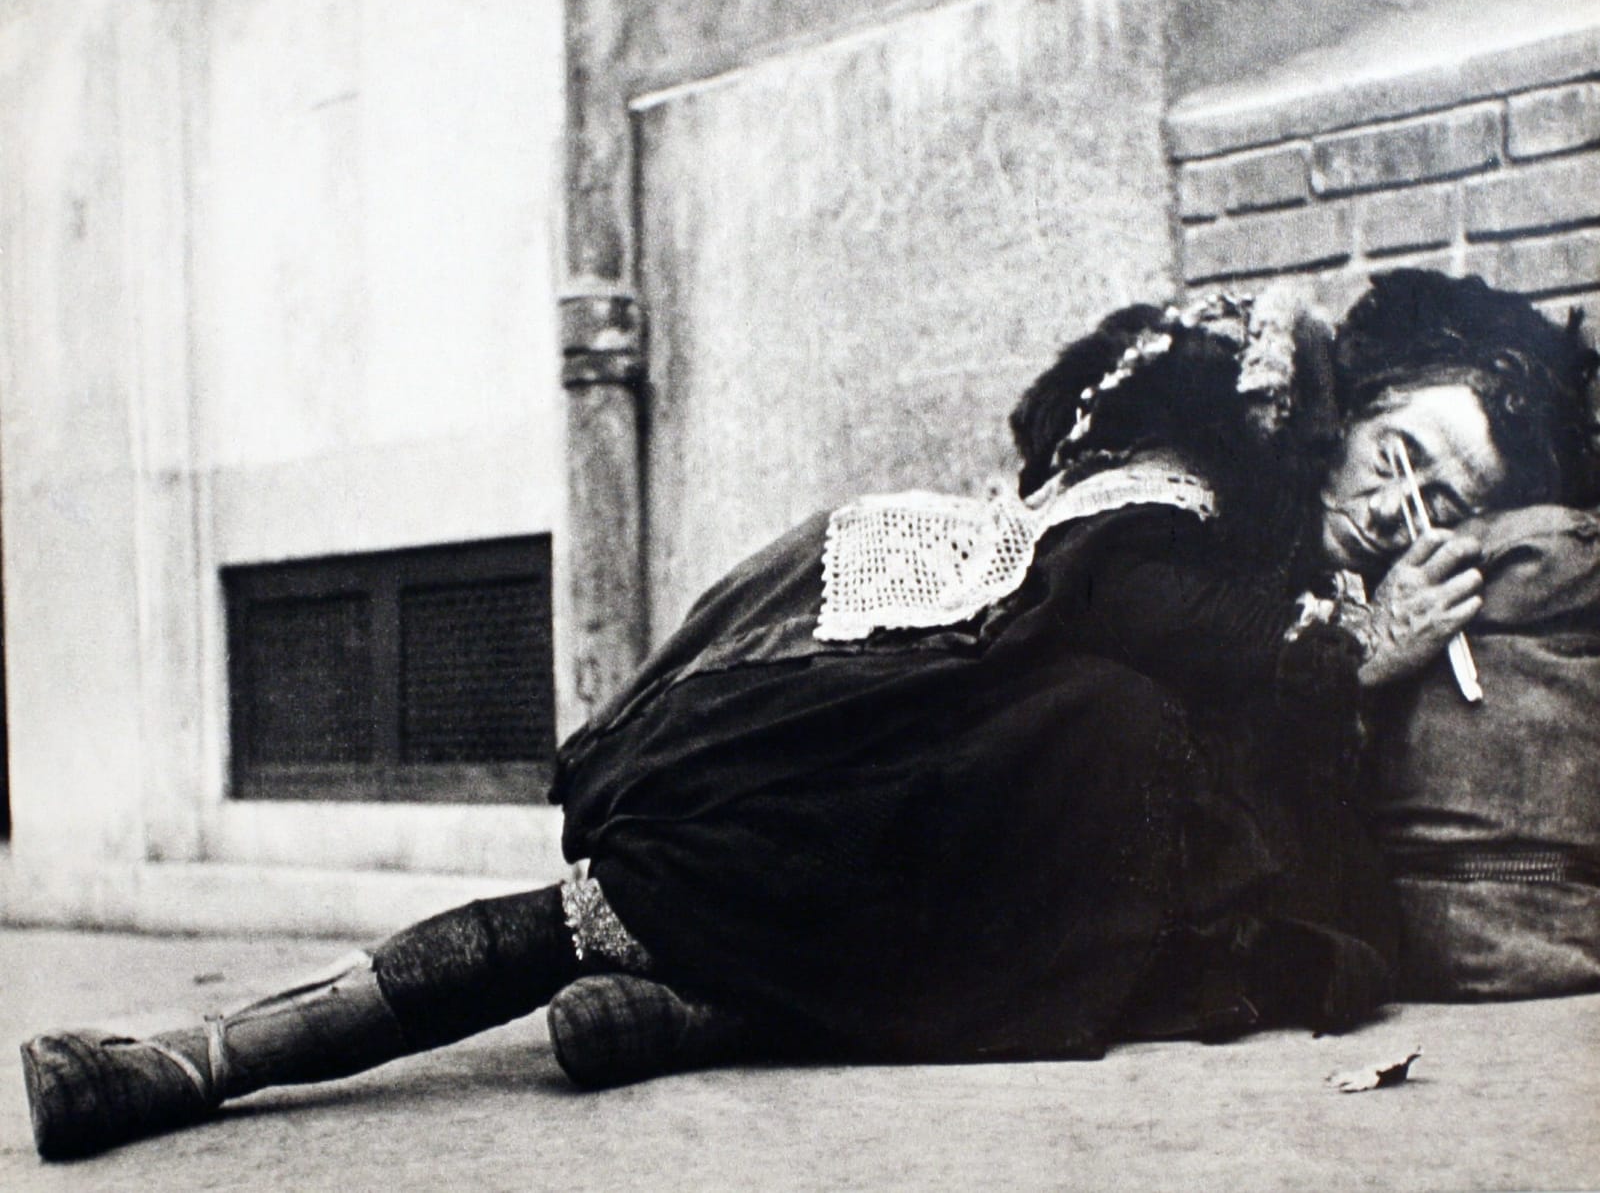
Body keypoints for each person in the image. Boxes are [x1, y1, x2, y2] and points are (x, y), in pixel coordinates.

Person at [22, 271, 1587, 1162]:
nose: (1397, 506)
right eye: (1392, 457)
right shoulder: (1202, 482)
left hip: (1010, 881)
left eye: (1440, 500)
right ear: (1337, 420)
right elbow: (1114, 602)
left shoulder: (1339, 600)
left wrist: (1351, 670)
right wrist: (1335, 658)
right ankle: (193, 1062)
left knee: (1185, 857)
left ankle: (717, 1014)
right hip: (900, 762)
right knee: (610, 912)